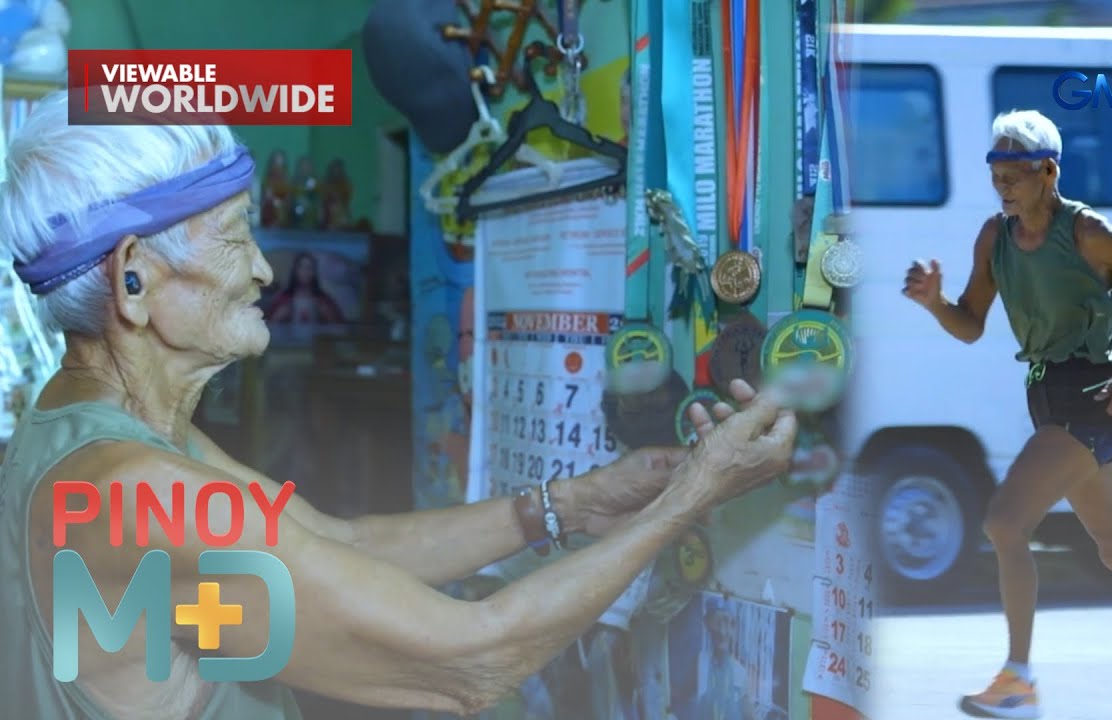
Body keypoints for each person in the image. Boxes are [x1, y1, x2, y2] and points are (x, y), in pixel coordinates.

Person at [0, 90, 799, 720]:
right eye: (238, 237)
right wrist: (695, 494)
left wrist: (573, 502)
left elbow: (341, 546)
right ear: (134, 277)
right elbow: (469, 660)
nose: (265, 271)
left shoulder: (102, 440)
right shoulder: (138, 493)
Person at [901, 109, 1112, 720]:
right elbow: (970, 325)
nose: (1003, 183)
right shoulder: (994, 238)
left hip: (1096, 397)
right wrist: (934, 304)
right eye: (996, 172)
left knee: (1005, 522)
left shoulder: (1087, 232)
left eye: (1015, 172)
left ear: (1049, 172)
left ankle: (1018, 680)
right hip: (1047, 398)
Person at [263, 251, 345, 324]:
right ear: (295, 271)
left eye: (309, 268)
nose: (305, 271)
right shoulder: (283, 298)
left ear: (314, 272)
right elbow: (267, 325)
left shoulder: (324, 299)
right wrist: (278, 317)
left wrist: (328, 316)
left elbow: (341, 326)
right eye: (301, 267)